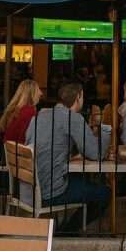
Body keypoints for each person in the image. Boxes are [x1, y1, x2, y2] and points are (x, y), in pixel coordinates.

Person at [25, 82, 112, 233]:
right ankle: (66, 231)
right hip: (51, 190)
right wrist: (105, 127)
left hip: (30, 187)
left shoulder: (39, 115)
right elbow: (96, 154)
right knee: (103, 193)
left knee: (84, 183)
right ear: (78, 98)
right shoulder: (73, 118)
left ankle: (64, 228)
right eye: (83, 96)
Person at [0, 78, 42, 144]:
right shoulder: (29, 111)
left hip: (8, 149)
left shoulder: (16, 108)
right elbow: (27, 139)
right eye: (38, 90)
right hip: (17, 151)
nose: (40, 93)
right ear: (31, 93)